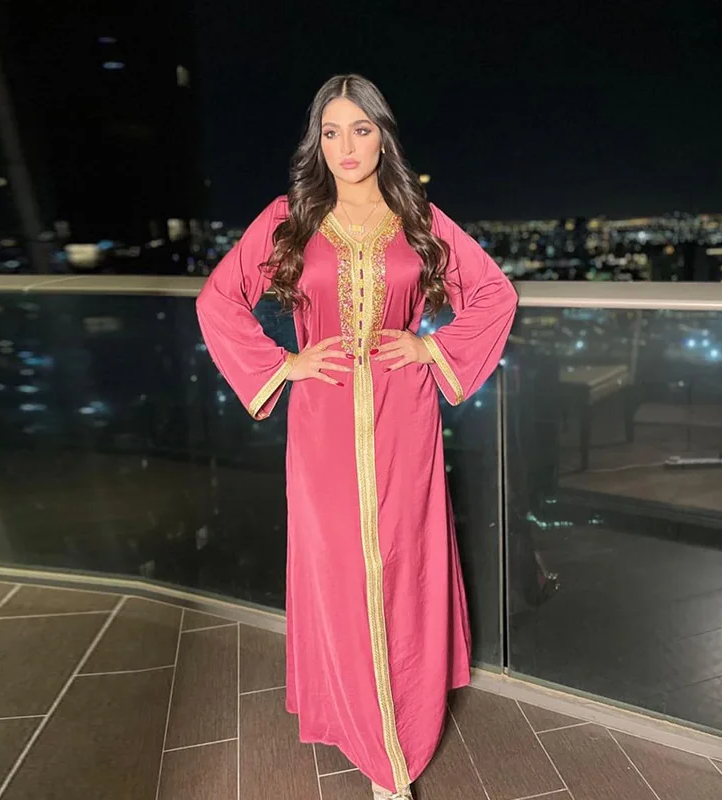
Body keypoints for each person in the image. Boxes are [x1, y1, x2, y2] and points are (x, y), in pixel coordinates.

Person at [197, 74, 517, 800]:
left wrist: (430, 346)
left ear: (383, 136)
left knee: (403, 566)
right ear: (317, 141)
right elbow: (218, 300)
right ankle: (366, 732)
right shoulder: (291, 218)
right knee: (340, 569)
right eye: (332, 131)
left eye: (361, 129)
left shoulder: (417, 217)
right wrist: (285, 363)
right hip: (323, 421)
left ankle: (397, 740)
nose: (346, 146)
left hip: (406, 418)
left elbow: (494, 292)